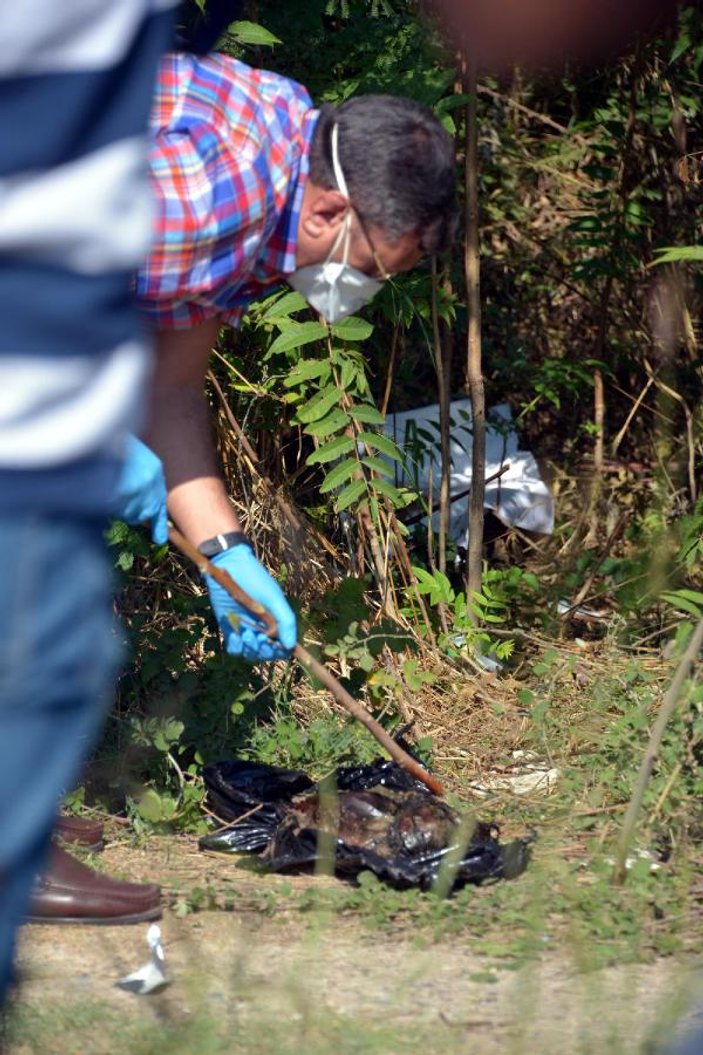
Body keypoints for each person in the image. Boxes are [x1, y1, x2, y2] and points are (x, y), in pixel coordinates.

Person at [136, 50, 457, 641]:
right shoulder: (211, 202)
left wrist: (225, 552)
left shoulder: (288, 161)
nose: (359, 293)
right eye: (367, 269)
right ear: (328, 214)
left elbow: (170, 385)